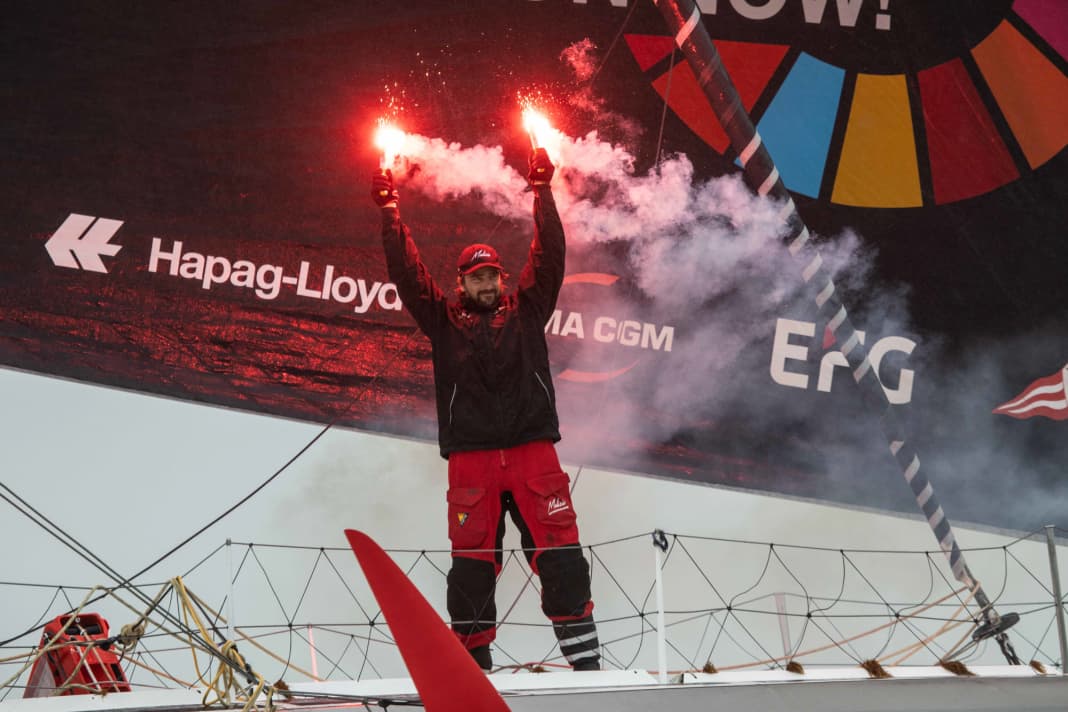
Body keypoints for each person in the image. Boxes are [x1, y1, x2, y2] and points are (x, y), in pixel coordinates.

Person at [370, 149, 600, 672]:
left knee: (562, 556)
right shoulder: (441, 321)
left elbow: (550, 257)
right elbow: (407, 271)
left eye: (493, 275)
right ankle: (475, 674)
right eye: (477, 278)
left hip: (533, 453)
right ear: (461, 283)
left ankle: (587, 670)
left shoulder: (528, 310)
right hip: (470, 461)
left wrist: (542, 190)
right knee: (471, 568)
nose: (487, 284)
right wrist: (390, 211)